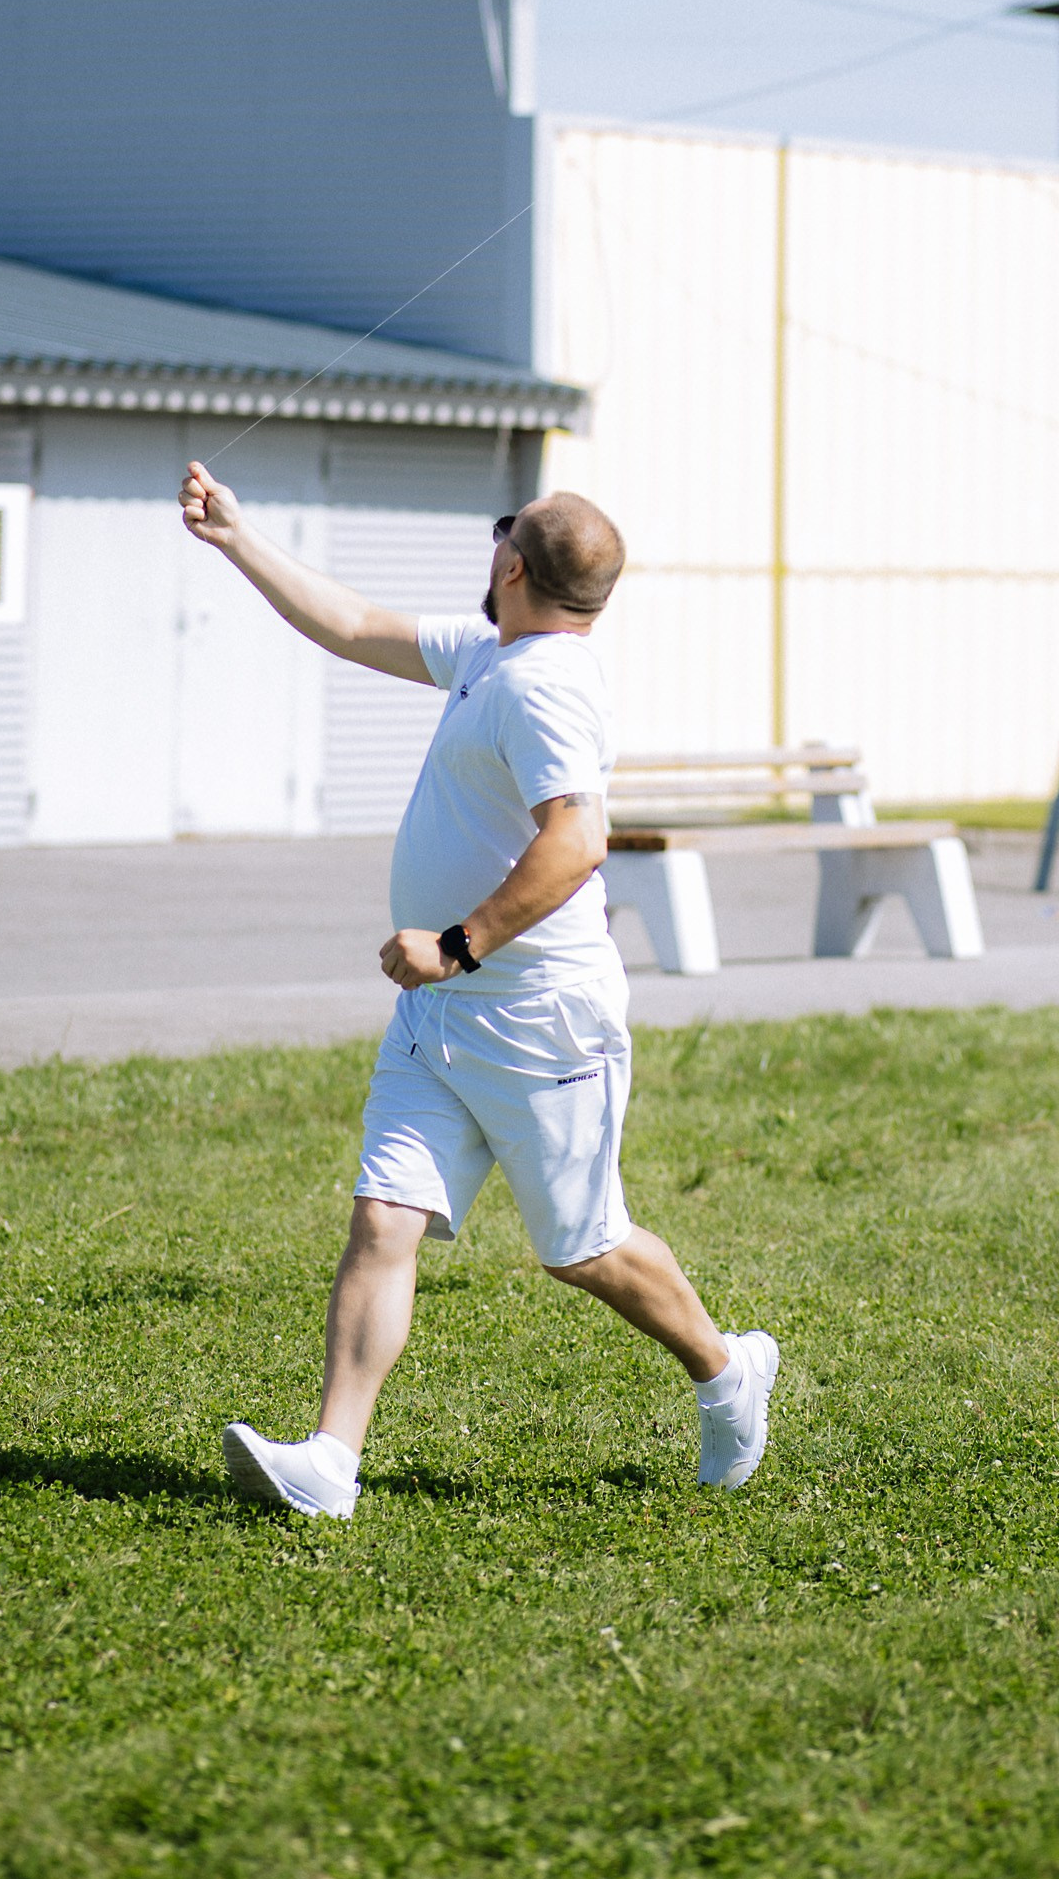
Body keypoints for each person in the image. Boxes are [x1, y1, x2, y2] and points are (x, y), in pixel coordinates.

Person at [176, 463, 779, 1518]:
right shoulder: (492, 651)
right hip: (438, 1015)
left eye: (504, 534)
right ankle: (329, 1461)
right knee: (382, 1220)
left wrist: (458, 944)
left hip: (537, 1017)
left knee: (584, 1249)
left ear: (509, 563)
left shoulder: (544, 688)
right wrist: (238, 538)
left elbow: (577, 840)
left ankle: (727, 1375)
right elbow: (355, 623)